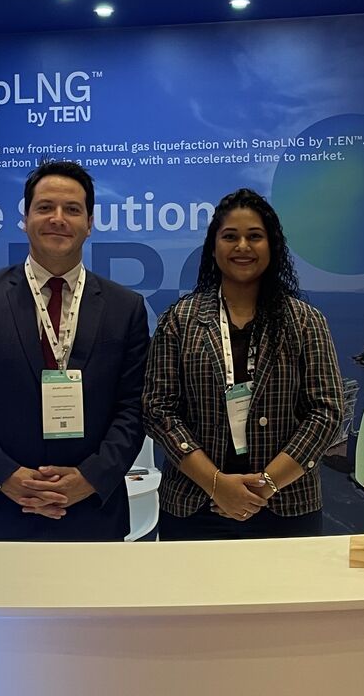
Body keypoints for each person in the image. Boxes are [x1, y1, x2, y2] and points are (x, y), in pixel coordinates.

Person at [0, 160, 149, 541]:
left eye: (72, 209)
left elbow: (134, 406)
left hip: (91, 513)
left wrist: (89, 479)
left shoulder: (125, 307)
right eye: (45, 207)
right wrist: (5, 476)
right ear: (26, 218)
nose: (58, 219)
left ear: (89, 222)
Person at [143, 188, 345, 539]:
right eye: (230, 237)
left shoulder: (305, 321)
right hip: (195, 506)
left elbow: (326, 412)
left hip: (286, 506)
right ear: (213, 247)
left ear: (272, 246)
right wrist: (216, 484)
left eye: (254, 236)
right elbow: (158, 409)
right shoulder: (179, 320)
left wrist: (265, 485)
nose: (242, 246)